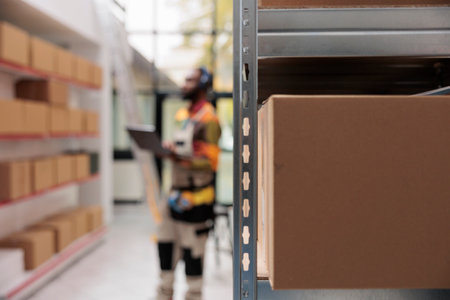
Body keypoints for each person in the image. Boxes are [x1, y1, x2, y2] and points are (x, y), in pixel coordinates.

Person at [156, 67, 221, 300]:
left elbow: (209, 163)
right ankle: (164, 293)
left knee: (193, 256)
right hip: (174, 197)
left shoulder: (209, 120)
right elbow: (185, 150)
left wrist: (178, 158)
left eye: (190, 80)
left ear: (203, 85)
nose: (183, 84)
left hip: (195, 201)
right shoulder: (185, 116)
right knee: (165, 248)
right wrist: (171, 150)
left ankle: (193, 295)